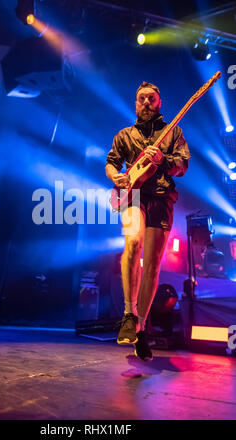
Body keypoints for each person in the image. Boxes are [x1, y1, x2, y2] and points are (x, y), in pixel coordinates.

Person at [105, 81, 191, 360]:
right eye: (141, 98)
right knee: (133, 241)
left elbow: (183, 166)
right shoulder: (124, 135)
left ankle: (140, 328)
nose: (145, 103)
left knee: (152, 263)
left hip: (162, 198)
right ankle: (129, 314)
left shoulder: (173, 132)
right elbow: (111, 162)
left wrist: (164, 159)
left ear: (159, 102)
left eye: (151, 98)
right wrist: (114, 176)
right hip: (132, 195)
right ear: (135, 102)